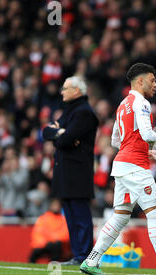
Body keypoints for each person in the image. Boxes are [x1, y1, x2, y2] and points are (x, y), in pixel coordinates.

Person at [80, 63, 156, 275]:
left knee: (120, 216)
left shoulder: (123, 105)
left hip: (123, 165)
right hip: (135, 167)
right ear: (140, 81)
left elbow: (116, 140)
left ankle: (91, 261)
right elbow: (148, 133)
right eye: (152, 80)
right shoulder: (141, 103)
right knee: (155, 213)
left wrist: (145, 151)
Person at [42, 76, 99, 265]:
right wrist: (61, 133)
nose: (62, 92)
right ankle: (78, 255)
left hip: (77, 172)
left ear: (77, 91)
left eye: (66, 88)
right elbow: (46, 132)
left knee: (80, 215)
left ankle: (84, 256)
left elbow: (66, 139)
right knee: (71, 216)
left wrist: (61, 134)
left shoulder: (83, 112)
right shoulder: (71, 111)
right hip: (66, 172)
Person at [29, 198, 70, 263]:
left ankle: (53, 267)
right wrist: (45, 242)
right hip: (43, 244)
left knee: (56, 246)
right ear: (50, 206)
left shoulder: (64, 219)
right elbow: (37, 233)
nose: (56, 207)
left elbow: (66, 234)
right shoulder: (43, 218)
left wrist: (51, 239)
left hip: (57, 244)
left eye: (58, 205)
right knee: (34, 253)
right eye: (54, 205)